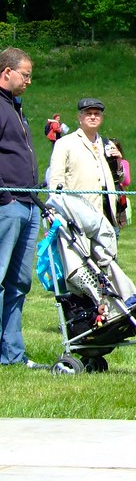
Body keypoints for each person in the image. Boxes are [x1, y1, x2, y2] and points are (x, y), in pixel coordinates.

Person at [0, 47, 43, 367]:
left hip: (29, 205)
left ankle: (13, 354)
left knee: (19, 283)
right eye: (25, 74)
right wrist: (6, 198)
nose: (29, 80)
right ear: (6, 73)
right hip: (9, 205)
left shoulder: (16, 107)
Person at [48, 98, 124, 230]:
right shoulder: (65, 143)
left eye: (97, 114)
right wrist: (55, 212)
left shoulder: (107, 144)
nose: (93, 117)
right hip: (77, 215)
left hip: (106, 214)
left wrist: (118, 163)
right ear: (80, 117)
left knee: (107, 251)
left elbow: (120, 180)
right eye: (88, 114)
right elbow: (56, 179)